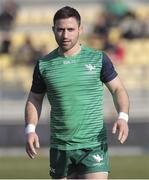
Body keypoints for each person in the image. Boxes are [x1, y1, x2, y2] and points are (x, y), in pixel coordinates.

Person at [25, 6, 129, 179]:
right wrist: (30, 129)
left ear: (80, 30)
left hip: (93, 145)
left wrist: (123, 117)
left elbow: (118, 89)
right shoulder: (44, 65)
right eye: (60, 29)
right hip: (60, 146)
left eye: (70, 29)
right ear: (53, 30)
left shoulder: (98, 59)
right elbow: (35, 98)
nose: (65, 35)